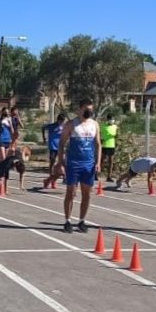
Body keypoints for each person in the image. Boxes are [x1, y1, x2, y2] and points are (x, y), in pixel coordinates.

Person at [56, 100, 101, 233]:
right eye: (87, 109)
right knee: (71, 193)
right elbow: (61, 144)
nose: (89, 112)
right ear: (80, 109)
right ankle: (67, 221)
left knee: (87, 194)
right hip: (73, 164)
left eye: (91, 110)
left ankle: (82, 221)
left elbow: (98, 144)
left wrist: (98, 163)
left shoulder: (95, 124)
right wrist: (60, 162)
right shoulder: (71, 124)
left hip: (89, 164)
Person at [41, 113, 66, 187]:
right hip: (52, 147)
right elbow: (43, 127)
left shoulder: (63, 126)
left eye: (63, 121)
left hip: (60, 147)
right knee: (52, 162)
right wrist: (44, 138)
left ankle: (56, 179)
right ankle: (51, 178)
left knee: (64, 162)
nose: (62, 123)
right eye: (61, 121)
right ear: (58, 120)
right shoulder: (51, 126)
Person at [100, 114, 119, 180]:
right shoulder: (103, 126)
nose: (112, 120)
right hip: (105, 145)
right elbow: (101, 134)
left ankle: (109, 176)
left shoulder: (115, 127)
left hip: (112, 145)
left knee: (111, 161)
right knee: (102, 160)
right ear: (108, 120)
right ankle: (96, 174)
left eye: (113, 119)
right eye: (111, 119)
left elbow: (117, 135)